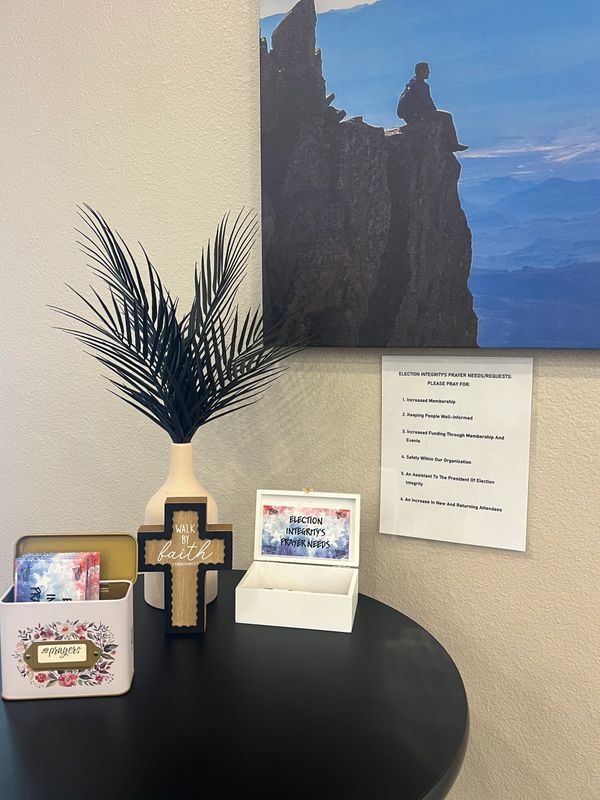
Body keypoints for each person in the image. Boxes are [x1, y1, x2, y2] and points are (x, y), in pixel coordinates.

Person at [397, 62, 468, 152]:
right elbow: (428, 103)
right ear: (421, 71)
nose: (429, 72)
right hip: (418, 116)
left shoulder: (411, 84)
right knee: (447, 117)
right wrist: (433, 111)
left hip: (409, 117)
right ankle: (452, 144)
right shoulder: (421, 86)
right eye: (426, 70)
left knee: (439, 117)